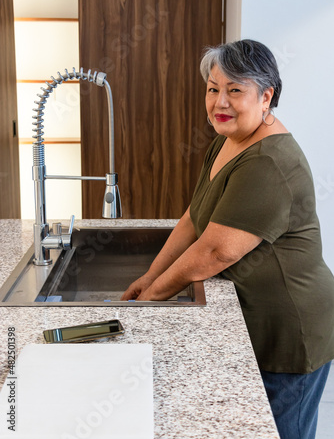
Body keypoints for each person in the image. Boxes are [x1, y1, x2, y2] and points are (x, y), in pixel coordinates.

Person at [121, 39, 334, 439]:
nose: (220, 101)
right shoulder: (228, 139)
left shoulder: (268, 160)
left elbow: (215, 251)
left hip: (288, 326)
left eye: (235, 90)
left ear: (266, 96)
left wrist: (152, 300)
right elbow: (193, 218)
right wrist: (150, 277)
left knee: (281, 432)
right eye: (213, 88)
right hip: (254, 314)